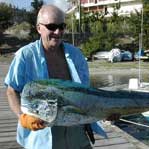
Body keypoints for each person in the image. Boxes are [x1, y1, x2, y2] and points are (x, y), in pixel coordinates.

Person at [5, 4, 100, 149]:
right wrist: (22, 117)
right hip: (42, 138)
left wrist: (108, 112)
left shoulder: (76, 55)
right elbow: (12, 90)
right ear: (39, 28)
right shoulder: (25, 56)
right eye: (51, 26)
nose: (57, 32)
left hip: (77, 134)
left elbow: (85, 95)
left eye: (61, 26)